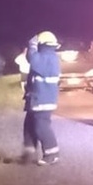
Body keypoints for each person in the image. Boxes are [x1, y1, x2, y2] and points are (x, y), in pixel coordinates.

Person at [21, 31, 61, 166]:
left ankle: (52, 154)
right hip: (38, 98)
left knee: (41, 126)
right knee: (29, 125)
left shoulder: (46, 58)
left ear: (42, 45)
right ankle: (28, 152)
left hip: (42, 99)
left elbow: (32, 59)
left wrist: (32, 43)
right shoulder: (50, 57)